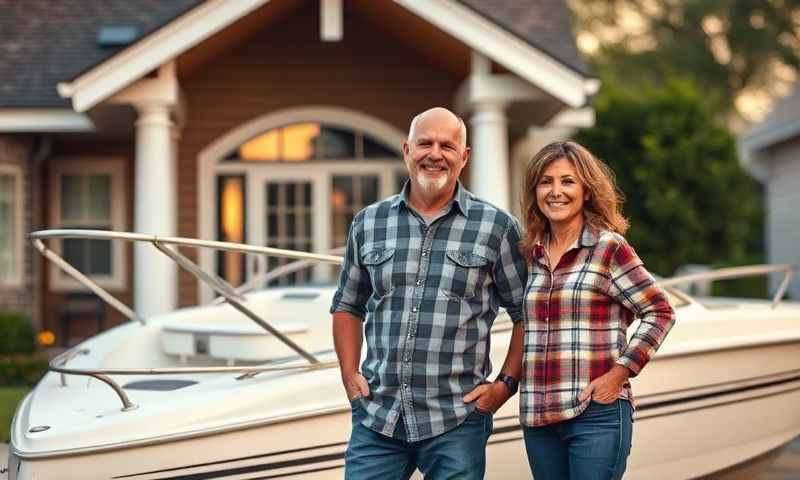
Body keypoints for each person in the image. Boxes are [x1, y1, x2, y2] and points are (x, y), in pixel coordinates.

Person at [330, 107, 528, 479]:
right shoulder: (369, 223)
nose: (435, 154)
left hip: (457, 418)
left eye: (447, 146)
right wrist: (348, 373)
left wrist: (505, 385)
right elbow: (347, 304)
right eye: (425, 143)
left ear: (464, 157)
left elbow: (526, 314)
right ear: (407, 150)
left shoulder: (497, 227)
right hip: (378, 416)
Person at [508, 140, 676, 480]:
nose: (556, 191)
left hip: (594, 415)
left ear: (586, 191)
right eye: (546, 181)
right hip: (539, 420)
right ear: (535, 191)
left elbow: (659, 311)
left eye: (567, 181)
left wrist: (620, 374)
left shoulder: (608, 248)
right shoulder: (531, 253)